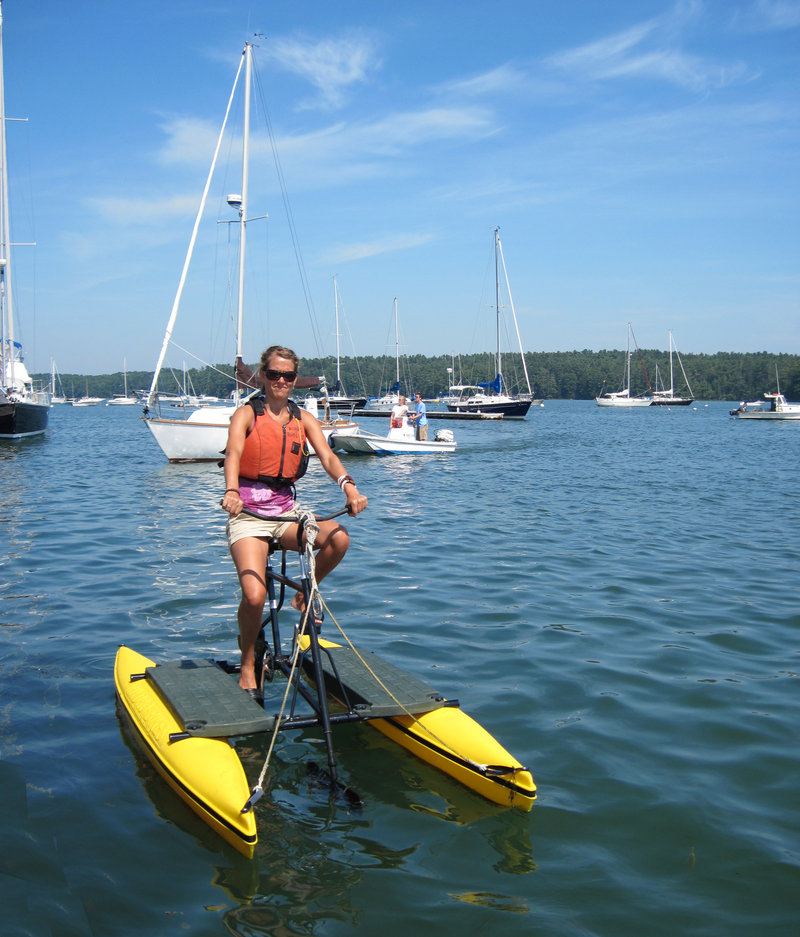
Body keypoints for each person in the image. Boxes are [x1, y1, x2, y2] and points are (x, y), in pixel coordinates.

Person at [222, 345, 368, 696]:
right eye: (274, 375)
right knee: (254, 597)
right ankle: (246, 662)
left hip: (286, 514)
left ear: (295, 380)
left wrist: (349, 487)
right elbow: (234, 454)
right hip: (249, 516)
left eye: (288, 376)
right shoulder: (246, 414)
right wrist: (231, 491)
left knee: (339, 538)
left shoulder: (302, 419)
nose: (281, 382)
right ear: (264, 376)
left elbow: (328, 456)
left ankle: (304, 592)